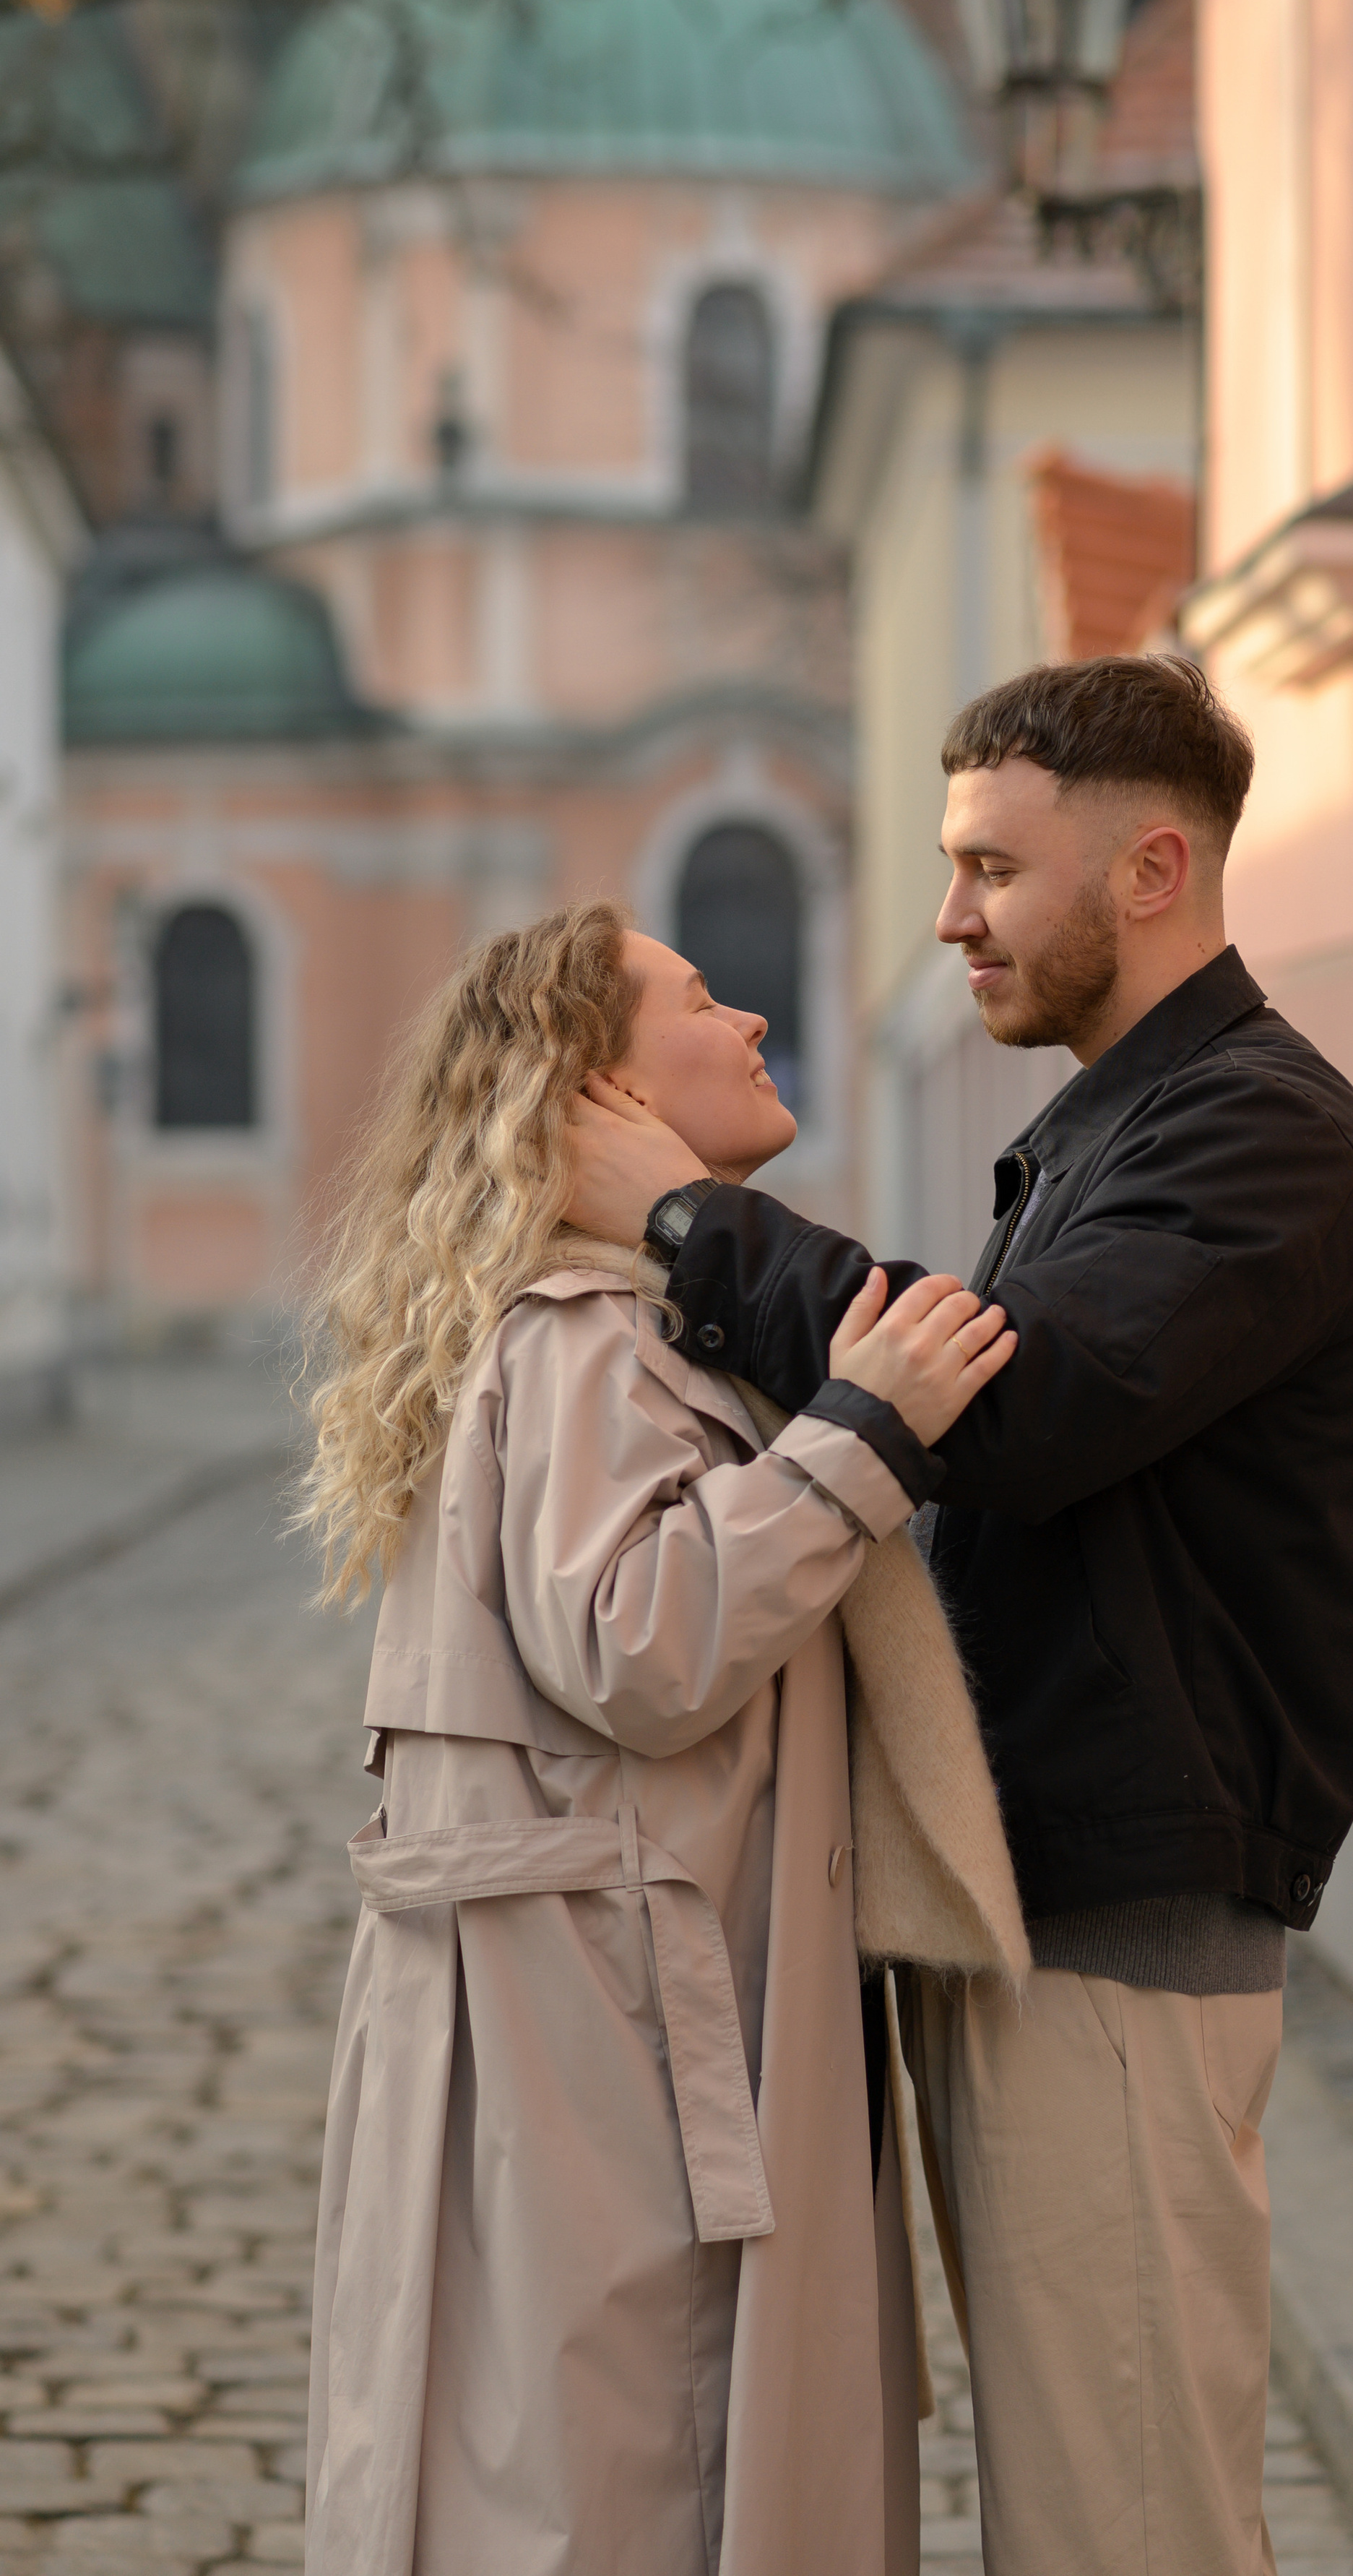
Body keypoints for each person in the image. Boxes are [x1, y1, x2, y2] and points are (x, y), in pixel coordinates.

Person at [563, 658, 1353, 2576]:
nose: (947, 917)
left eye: (988, 870)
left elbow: (1012, 1412)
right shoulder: (1130, 1123)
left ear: (1152, 869)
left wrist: (690, 1222)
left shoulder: (1255, 1132)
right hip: (1052, 1903)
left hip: (1119, 1925)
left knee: (1127, 2526)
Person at [294, 899, 1018, 2576]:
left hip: (589, 2031)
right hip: (613, 2057)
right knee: (625, 2484)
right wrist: (862, 1436)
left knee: (582, 2470)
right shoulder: (583, 1336)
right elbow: (635, 1640)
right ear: (590, 1090)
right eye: (698, 997)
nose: (751, 1017)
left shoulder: (585, 1322)